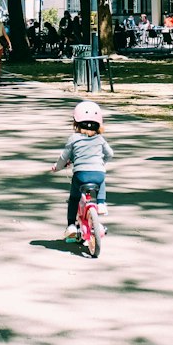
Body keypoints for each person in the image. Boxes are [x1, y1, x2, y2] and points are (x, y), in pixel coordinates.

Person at [50, 100, 115, 240]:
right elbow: (110, 153)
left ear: (76, 123)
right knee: (101, 179)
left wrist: (57, 167)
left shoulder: (73, 138)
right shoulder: (100, 139)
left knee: (74, 198)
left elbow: (64, 157)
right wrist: (101, 163)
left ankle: (71, 226)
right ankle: (102, 204)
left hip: (81, 175)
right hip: (98, 173)